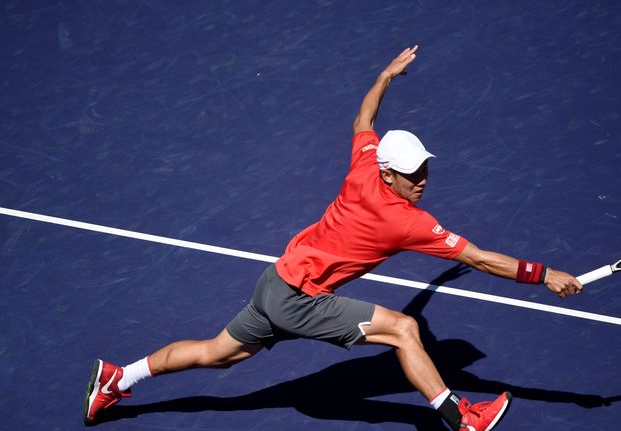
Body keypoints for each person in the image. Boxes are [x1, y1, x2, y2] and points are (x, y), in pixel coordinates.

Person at [83, 45, 583, 431]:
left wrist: (386, 76)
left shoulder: (366, 165)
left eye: (424, 169)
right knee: (405, 330)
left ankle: (119, 376)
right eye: (412, 173)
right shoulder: (406, 221)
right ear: (389, 174)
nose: (422, 180)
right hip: (300, 299)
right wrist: (545, 275)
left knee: (218, 353)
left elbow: (364, 119)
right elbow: (480, 259)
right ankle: (459, 418)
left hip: (275, 282)